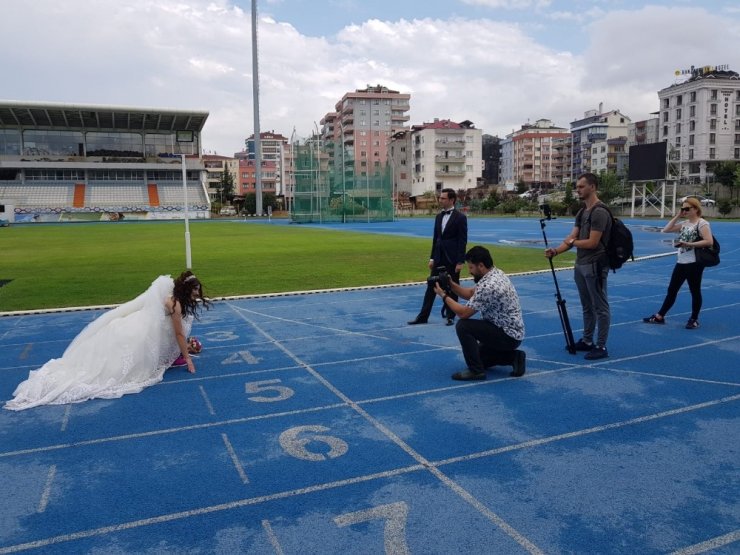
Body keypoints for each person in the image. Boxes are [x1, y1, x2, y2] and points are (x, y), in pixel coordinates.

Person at [4, 271, 210, 411]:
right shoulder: (175, 305)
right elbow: (179, 334)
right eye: (194, 292)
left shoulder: (171, 292)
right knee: (118, 367)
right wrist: (188, 359)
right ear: (185, 290)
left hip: (136, 326)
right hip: (137, 333)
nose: (196, 295)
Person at [545, 172, 612, 360]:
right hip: (581, 264)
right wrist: (556, 251)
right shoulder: (582, 211)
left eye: (581, 186)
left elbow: (592, 243)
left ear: (592, 187)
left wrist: (573, 242)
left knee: (600, 306)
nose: (578, 190)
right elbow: (572, 237)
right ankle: (587, 340)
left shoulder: (599, 212)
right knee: (586, 305)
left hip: (595, 265)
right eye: (577, 186)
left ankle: (601, 345)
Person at [433, 245, 525, 381]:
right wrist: (451, 284)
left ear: (481, 265)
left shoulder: (490, 286)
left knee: (463, 326)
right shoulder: (495, 273)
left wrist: (444, 295)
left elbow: (464, 314)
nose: (470, 271)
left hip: (507, 335)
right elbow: (471, 293)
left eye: (471, 267)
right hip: (509, 331)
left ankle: (476, 372)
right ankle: (514, 357)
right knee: (479, 357)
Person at [642, 196, 713, 329]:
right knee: (672, 290)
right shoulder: (685, 223)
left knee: (695, 291)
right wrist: (677, 216)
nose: (684, 211)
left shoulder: (702, 223)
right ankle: (660, 316)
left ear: (696, 209)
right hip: (681, 261)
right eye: (682, 209)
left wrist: (688, 243)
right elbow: (666, 230)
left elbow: (709, 241)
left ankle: (694, 319)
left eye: (686, 209)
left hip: (694, 263)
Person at [408, 188, 468, 326]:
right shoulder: (438, 217)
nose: (440, 200)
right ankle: (423, 316)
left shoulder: (460, 218)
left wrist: (460, 261)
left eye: (443, 198)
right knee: (431, 287)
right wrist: (432, 258)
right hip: (438, 257)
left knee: (452, 287)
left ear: (451, 200)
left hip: (452, 258)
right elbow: (436, 239)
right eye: (440, 198)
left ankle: (450, 316)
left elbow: (462, 240)